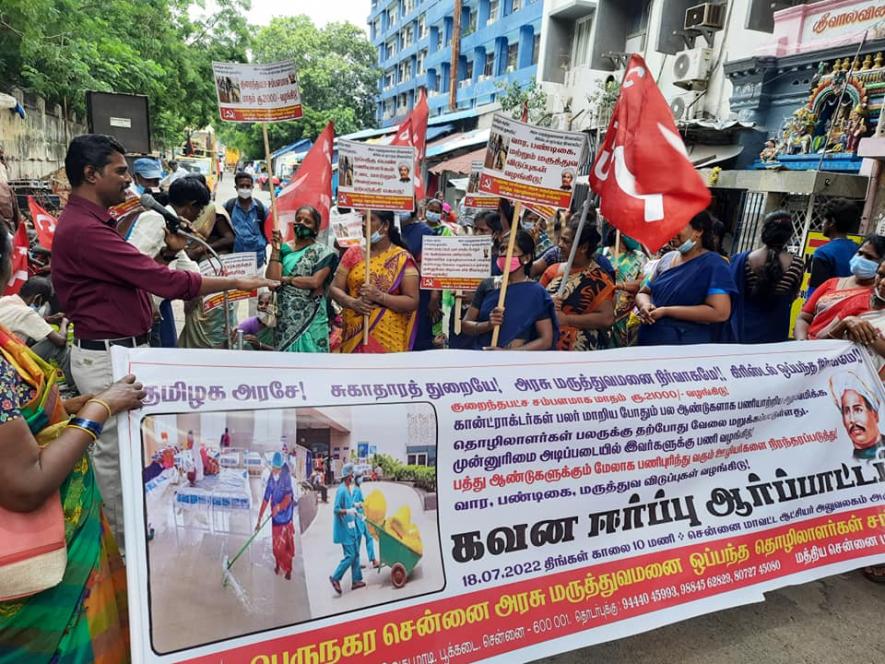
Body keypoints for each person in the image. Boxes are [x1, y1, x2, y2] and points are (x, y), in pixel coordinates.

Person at [51, 134, 277, 549]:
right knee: (116, 460)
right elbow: (164, 283)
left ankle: (135, 539)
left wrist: (169, 251)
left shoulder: (99, 223)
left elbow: (136, 278)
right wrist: (235, 281)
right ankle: (126, 554)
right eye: (120, 171)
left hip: (123, 351)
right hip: (105, 358)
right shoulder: (85, 230)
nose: (128, 180)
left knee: (130, 451)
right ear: (90, 174)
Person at [0, 223, 145, 661]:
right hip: (34, 573)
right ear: (7, 265)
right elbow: (25, 485)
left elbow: (22, 416)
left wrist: (87, 400)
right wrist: (98, 411)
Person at [128, 175, 214, 349]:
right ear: (191, 205)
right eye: (200, 209)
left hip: (156, 306)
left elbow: (187, 267)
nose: (199, 214)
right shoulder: (155, 219)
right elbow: (133, 265)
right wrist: (148, 302)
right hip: (144, 307)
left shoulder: (172, 224)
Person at [635, 211, 737, 346]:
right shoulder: (667, 259)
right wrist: (645, 305)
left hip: (685, 347)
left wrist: (667, 311)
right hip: (650, 341)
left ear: (698, 231)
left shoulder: (714, 265)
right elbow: (644, 292)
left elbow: (720, 312)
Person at [330, 210, 420, 353]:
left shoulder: (402, 258)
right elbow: (334, 288)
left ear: (385, 226)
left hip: (388, 338)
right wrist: (352, 302)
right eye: (363, 219)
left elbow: (412, 301)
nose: (364, 224)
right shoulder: (353, 252)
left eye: (370, 219)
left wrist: (380, 296)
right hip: (353, 334)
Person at [462, 230, 557, 350]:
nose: (504, 254)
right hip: (483, 358)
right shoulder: (488, 285)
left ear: (526, 258)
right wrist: (488, 325)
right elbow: (465, 325)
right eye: (502, 249)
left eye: (512, 250)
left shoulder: (537, 292)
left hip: (515, 364)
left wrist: (508, 354)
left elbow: (545, 340)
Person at [724, 211, 804, 344]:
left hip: (743, 331)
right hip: (776, 330)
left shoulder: (743, 260)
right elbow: (793, 295)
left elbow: (730, 293)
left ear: (764, 231)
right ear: (788, 235)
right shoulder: (797, 264)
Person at [266, 205, 338, 352]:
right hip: (285, 317)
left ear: (316, 229)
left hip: (312, 317)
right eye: (298, 219)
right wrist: (276, 250)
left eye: (307, 221)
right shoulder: (284, 249)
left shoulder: (324, 253)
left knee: (312, 364)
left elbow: (314, 282)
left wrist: (286, 280)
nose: (301, 223)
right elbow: (272, 281)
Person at [540, 219, 615, 351]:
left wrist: (568, 320)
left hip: (580, 354)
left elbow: (607, 318)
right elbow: (535, 302)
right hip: (547, 347)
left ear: (584, 247)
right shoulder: (553, 271)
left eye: (566, 241)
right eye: (561, 239)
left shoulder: (600, 279)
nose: (560, 245)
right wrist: (548, 302)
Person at [794, 235, 885, 340]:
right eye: (859, 253)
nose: (861, 259)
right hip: (807, 347)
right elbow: (804, 317)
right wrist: (802, 342)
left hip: (844, 354)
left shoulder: (878, 298)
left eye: (869, 257)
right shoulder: (831, 283)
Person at [0, 277, 71, 382]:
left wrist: (46, 320)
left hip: (4, 358)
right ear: (38, 298)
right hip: (11, 363)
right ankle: (73, 387)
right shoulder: (27, 313)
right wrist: (64, 323)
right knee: (54, 345)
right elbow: (60, 341)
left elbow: (19, 322)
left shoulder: (5, 300)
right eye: (43, 302)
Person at [399, 207, 441, 351]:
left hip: (420, 292)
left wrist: (435, 294)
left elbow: (434, 264)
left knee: (419, 336)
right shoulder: (390, 230)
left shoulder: (426, 232)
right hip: (394, 293)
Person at [600, 229, 647, 348]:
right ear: (620, 233)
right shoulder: (602, 254)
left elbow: (642, 283)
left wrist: (621, 285)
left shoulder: (639, 256)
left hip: (627, 318)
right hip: (602, 315)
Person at [808, 198, 861, 296]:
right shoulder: (859, 250)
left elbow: (815, 292)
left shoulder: (823, 253)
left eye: (824, 219)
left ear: (831, 222)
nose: (822, 223)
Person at [256, 452, 296, 580]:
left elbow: (289, 497)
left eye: (277, 468)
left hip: (286, 516)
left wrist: (279, 507)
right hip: (276, 519)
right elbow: (266, 499)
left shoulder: (286, 476)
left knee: (287, 546)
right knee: (277, 546)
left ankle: (288, 569)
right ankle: (278, 564)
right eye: (273, 468)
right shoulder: (271, 478)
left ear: (281, 467)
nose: (275, 471)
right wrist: (259, 519)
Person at [330, 463, 365, 594]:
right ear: (347, 476)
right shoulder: (341, 490)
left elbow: (350, 504)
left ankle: (356, 581)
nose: (353, 478)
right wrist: (349, 511)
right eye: (351, 476)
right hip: (344, 529)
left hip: (351, 528)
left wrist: (355, 506)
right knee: (350, 556)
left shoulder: (348, 489)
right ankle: (335, 577)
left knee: (355, 553)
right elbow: (336, 509)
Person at [225, 172, 269, 269]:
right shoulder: (228, 207)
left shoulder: (261, 209)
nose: (245, 188)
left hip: (257, 259)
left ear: (252, 187)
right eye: (242, 186)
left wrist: (262, 244)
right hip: (235, 259)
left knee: (255, 283)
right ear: (236, 187)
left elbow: (270, 232)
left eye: (248, 186)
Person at [352, 471, 379, 571]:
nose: (361, 479)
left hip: (361, 518)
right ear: (356, 479)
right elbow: (352, 503)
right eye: (360, 477)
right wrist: (359, 504)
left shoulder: (358, 489)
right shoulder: (356, 490)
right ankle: (357, 563)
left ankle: (373, 560)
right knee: (359, 541)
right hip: (359, 519)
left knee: (368, 537)